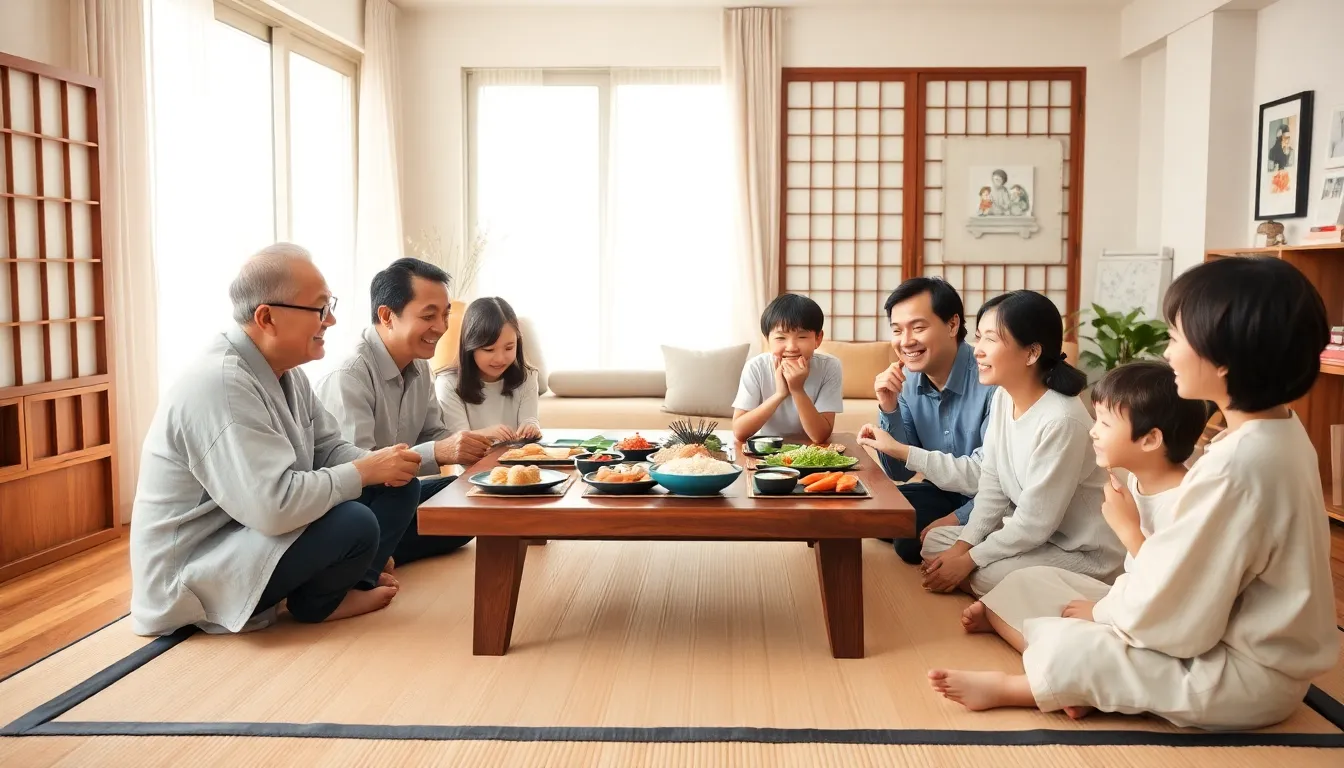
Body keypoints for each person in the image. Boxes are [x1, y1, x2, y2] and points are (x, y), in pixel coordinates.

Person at [928, 256, 1339, 731]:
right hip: (1227, 641)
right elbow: (1181, 580)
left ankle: (1021, 687)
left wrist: (1105, 614)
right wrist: (1109, 607)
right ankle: (1075, 667)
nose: (1167, 354)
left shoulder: (1236, 468)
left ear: (1225, 358)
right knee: (1027, 586)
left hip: (1241, 673)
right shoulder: (1278, 433)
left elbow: (1178, 621)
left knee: (1073, 642)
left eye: (1178, 339)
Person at [130, 243, 426, 636]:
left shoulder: (287, 373)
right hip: (203, 562)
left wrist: (382, 466)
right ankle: (319, 602)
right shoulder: (221, 383)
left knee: (401, 489)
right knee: (355, 522)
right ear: (266, 317)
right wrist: (363, 470)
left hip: (253, 533)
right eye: (320, 308)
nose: (332, 320)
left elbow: (328, 449)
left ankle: (350, 582)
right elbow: (273, 508)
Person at [952, 361, 1207, 680]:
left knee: (1077, 642)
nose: (1093, 431)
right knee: (1021, 582)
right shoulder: (1134, 482)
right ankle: (1038, 642)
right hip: (1127, 598)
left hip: (1158, 619)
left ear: (1150, 439)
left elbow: (1170, 595)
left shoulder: (1188, 502)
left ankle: (1058, 672)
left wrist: (1101, 612)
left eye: (1104, 423)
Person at [919, 290, 1123, 596]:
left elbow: (1034, 523)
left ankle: (1008, 590)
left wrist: (969, 560)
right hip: (1035, 540)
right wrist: (962, 549)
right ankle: (995, 587)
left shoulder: (1061, 419)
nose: (978, 350)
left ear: (1031, 353)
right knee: (936, 543)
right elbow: (992, 484)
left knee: (988, 575)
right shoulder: (1003, 397)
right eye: (978, 337)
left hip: (1081, 552)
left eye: (991, 338)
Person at [316, 257, 493, 568]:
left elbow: (434, 435)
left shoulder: (420, 366)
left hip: (394, 498)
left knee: (468, 497)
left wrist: (477, 449)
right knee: (407, 494)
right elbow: (360, 469)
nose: (441, 327)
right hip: (352, 505)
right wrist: (439, 451)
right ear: (387, 316)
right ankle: (358, 565)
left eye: (445, 314)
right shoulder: (349, 374)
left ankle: (379, 555)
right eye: (429, 316)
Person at [857, 277, 995, 564]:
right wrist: (888, 406)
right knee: (868, 512)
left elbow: (996, 478)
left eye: (918, 327)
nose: (906, 341)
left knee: (907, 544)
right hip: (942, 490)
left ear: (952, 324)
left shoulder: (991, 378)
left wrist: (957, 518)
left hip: (994, 500)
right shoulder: (906, 383)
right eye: (897, 330)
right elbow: (901, 472)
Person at [731, 293, 844, 446]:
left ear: (818, 339)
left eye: (802, 337)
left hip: (810, 453)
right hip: (766, 451)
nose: (791, 347)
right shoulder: (756, 367)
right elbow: (740, 432)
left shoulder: (829, 367)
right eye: (780, 338)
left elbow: (819, 436)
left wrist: (797, 390)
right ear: (767, 340)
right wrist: (780, 394)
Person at [435, 296, 542, 443]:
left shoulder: (527, 377)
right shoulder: (448, 384)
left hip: (518, 463)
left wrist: (530, 427)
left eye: (509, 347)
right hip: (473, 465)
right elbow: (457, 443)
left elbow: (530, 419)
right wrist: (487, 434)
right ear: (470, 347)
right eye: (489, 349)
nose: (500, 358)